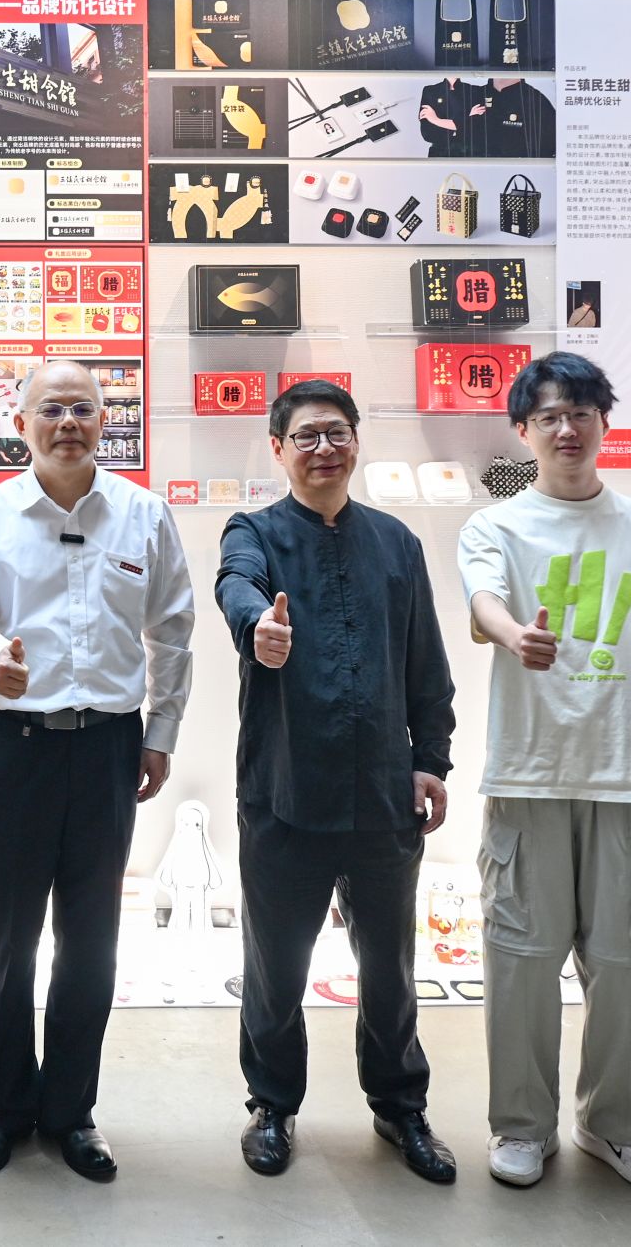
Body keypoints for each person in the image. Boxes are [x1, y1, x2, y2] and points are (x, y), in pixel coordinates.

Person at [0, 359, 195, 1183]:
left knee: (91, 942)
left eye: (82, 409)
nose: (68, 424)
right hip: (17, 747)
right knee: (11, 937)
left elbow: (173, 630)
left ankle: (71, 1113)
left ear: (103, 420)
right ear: (22, 424)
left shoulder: (142, 515)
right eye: (51, 409)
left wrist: (160, 733)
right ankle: (1, 1110)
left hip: (108, 748)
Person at [213, 379, 457, 1182]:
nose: (324, 449)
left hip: (383, 797)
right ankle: (272, 1105)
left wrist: (431, 759)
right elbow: (236, 581)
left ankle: (400, 1107)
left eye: (337, 433)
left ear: (355, 442)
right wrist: (257, 625)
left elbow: (426, 664)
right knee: (276, 968)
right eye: (306, 436)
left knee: (390, 970)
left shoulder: (396, 543)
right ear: (278, 449)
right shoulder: (254, 531)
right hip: (285, 794)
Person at [455, 353, 631, 1195]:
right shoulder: (497, 527)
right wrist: (513, 634)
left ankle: (618, 1125)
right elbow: (483, 601)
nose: (566, 429)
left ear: (603, 424)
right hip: (529, 775)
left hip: (621, 777)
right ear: (523, 430)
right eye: (548, 416)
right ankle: (521, 1126)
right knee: (520, 960)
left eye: (582, 412)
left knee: (627, 965)